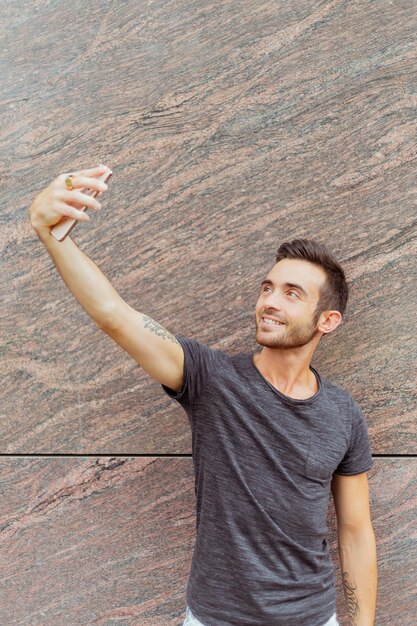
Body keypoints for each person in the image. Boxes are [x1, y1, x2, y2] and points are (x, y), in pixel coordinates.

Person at [28, 164, 377, 626]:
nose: (270, 301)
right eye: (267, 287)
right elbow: (115, 315)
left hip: (311, 617)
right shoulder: (211, 379)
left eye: (292, 293)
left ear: (327, 320)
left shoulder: (342, 413)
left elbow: (355, 532)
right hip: (217, 618)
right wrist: (50, 233)